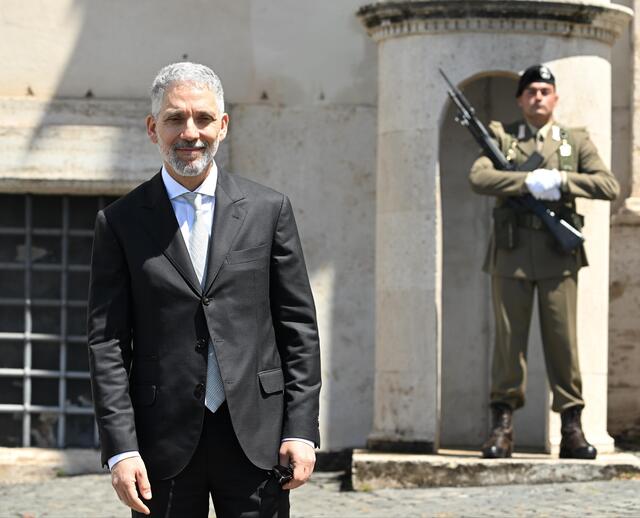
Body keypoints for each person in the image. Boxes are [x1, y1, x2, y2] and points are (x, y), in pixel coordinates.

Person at [87, 62, 321, 517]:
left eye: (203, 118)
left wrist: (301, 429)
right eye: (175, 118)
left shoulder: (269, 210)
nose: (189, 132)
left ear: (224, 126)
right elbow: (108, 344)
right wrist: (121, 449)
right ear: (153, 128)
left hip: (259, 439)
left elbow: (298, 328)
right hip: (162, 447)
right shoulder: (119, 222)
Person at [469, 64, 619, 460]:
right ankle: (502, 428)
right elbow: (479, 178)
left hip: (558, 254)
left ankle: (572, 427)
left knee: (563, 344)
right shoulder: (503, 138)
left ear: (555, 98)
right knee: (508, 345)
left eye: (544, 90)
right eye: (530, 91)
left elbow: (608, 185)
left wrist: (561, 182)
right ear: (520, 99)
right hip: (512, 253)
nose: (538, 96)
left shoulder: (575, 141)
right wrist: (525, 183)